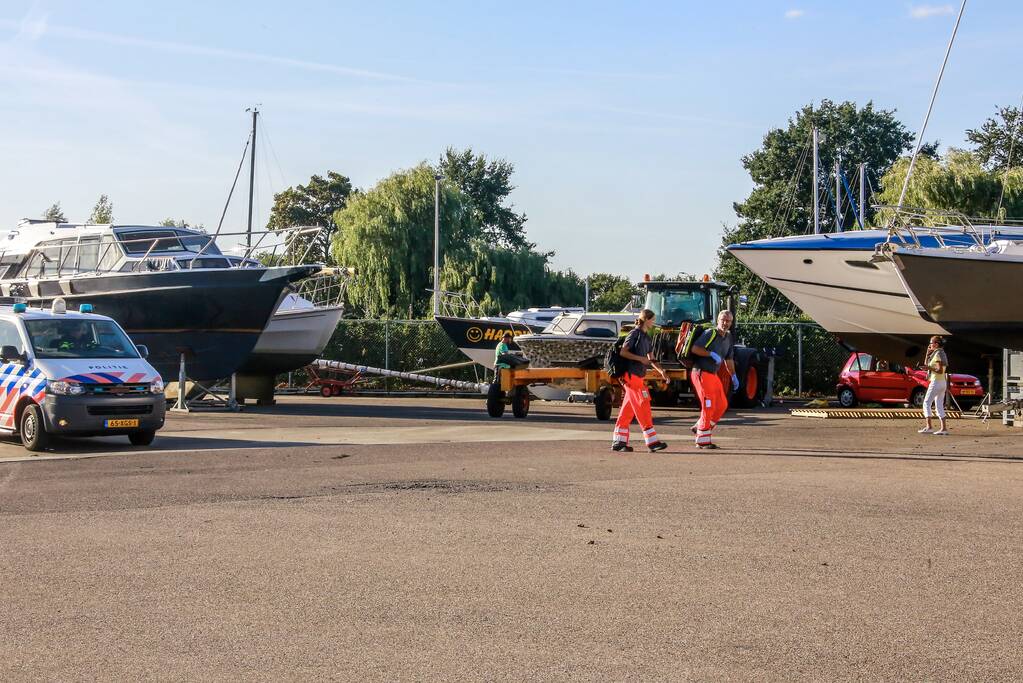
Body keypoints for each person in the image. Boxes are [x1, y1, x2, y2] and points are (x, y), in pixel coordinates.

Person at [612, 309, 670, 453]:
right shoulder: (634, 333)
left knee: (628, 410)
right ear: (646, 320)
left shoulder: (647, 337)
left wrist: (661, 371)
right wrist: (640, 359)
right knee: (643, 405)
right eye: (653, 320)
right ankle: (652, 442)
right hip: (631, 376)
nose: (654, 323)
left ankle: (618, 442)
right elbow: (623, 352)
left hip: (638, 376)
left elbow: (651, 358)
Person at [689, 310, 737, 449]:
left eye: (728, 321)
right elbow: (695, 348)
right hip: (701, 372)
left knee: (722, 404)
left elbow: (729, 359)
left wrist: (733, 375)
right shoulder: (710, 333)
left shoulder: (728, 337)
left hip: (712, 375)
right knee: (708, 405)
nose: (725, 323)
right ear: (718, 320)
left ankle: (700, 427)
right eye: (723, 320)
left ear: (731, 323)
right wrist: (710, 353)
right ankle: (702, 440)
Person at [919, 335, 950, 436]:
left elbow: (939, 370)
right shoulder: (940, 353)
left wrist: (929, 368)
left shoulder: (937, 354)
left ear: (936, 344)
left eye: (931, 343)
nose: (930, 345)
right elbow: (928, 365)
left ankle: (929, 427)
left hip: (936, 381)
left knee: (926, 403)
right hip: (942, 383)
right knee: (939, 405)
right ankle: (943, 428)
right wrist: (927, 354)